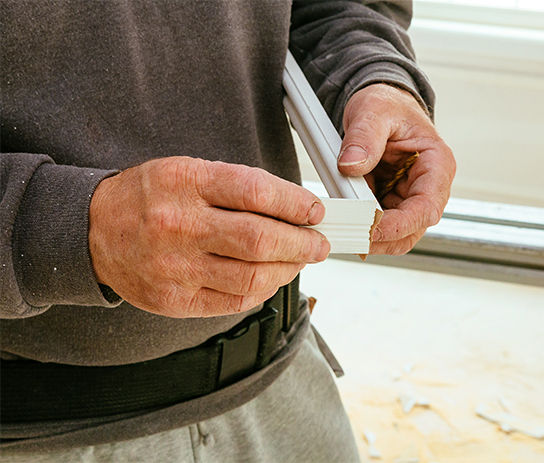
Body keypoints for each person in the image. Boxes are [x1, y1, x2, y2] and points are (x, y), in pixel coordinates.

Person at [0, 1, 455, 461]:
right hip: (36, 429)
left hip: (280, 382)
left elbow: (340, 6)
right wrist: (68, 226)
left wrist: (372, 75)